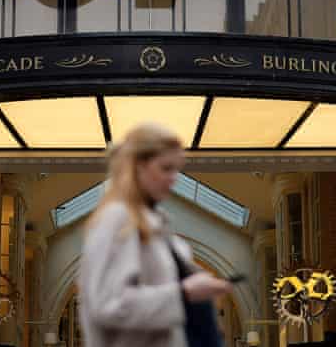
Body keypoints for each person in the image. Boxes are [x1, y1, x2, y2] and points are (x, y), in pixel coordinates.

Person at [78, 122, 233, 347]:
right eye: (166, 168)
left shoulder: (153, 222)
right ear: (139, 166)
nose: (174, 178)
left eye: (177, 169)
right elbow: (107, 304)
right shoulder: (117, 219)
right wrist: (183, 293)